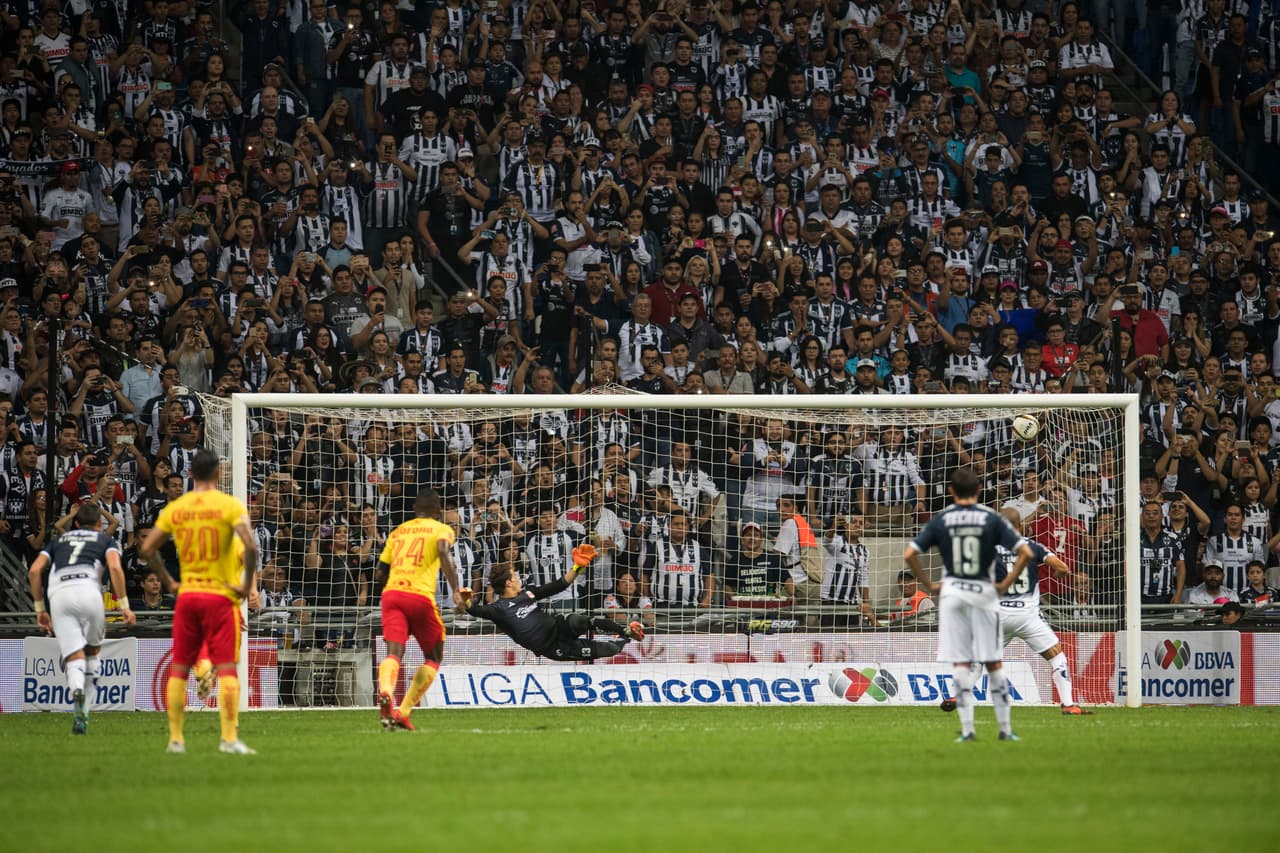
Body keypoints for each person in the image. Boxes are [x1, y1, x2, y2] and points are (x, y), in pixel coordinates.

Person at [139, 448, 259, 755]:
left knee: (179, 666)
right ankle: (229, 739)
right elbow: (251, 548)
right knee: (228, 667)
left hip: (188, 594)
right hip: (219, 595)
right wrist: (245, 586)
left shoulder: (176, 508)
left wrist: (168, 582)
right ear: (218, 473)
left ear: (190, 474)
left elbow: (148, 548)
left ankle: (176, 740)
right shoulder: (230, 505)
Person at [904, 467, 1034, 742]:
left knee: (962, 663)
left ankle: (967, 731)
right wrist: (1005, 583)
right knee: (993, 663)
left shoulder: (944, 518)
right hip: (984, 593)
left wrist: (929, 585)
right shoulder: (990, 518)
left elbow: (910, 553)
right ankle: (1005, 729)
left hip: (954, 594)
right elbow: (1024, 552)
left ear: (951, 491)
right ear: (978, 491)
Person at [27, 503, 135, 734]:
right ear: (99, 524)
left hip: (60, 595)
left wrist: (40, 609)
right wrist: (124, 605)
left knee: (74, 656)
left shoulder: (58, 542)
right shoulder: (105, 540)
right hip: (89, 592)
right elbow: (115, 569)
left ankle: (76, 691)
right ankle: (84, 708)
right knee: (93, 651)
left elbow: (35, 571)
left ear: (75, 523)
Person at [456, 544, 644, 661]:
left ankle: (626, 631)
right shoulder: (498, 609)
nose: (518, 577)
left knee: (578, 620)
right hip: (553, 648)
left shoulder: (528, 593)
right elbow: (474, 610)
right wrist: (466, 599)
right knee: (610, 649)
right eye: (515, 575)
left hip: (559, 627)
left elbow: (559, 585)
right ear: (508, 582)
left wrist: (578, 566)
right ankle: (626, 638)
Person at [373, 489, 461, 731]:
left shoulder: (398, 532)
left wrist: (393, 591)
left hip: (391, 595)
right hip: (419, 596)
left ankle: (386, 691)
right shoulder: (441, 529)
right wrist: (455, 590)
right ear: (438, 511)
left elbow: (380, 573)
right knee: (433, 656)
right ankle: (404, 710)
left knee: (394, 653)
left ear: (414, 509)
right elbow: (443, 552)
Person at [992, 508, 1090, 715]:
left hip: (1000, 615)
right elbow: (1063, 567)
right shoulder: (1033, 546)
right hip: (1028, 617)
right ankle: (1069, 704)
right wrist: (1058, 573)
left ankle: (958, 695)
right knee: (1057, 657)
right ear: (1019, 527)